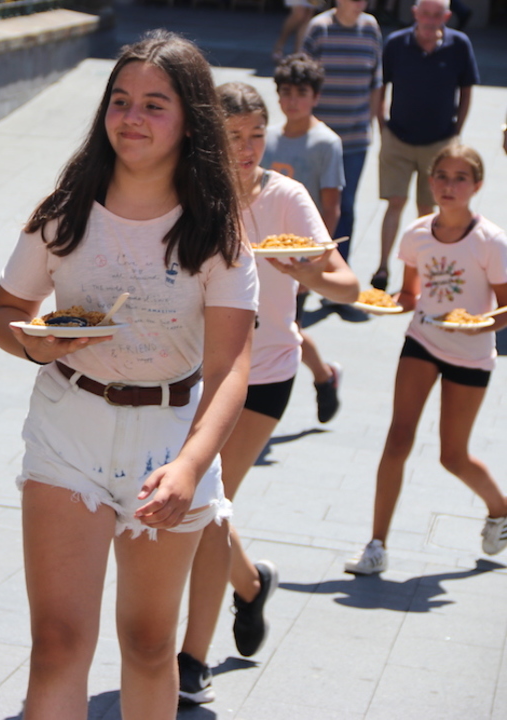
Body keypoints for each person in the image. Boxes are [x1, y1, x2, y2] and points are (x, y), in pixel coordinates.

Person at [0, 30, 258, 719]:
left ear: (190, 121)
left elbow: (230, 368)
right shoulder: (62, 212)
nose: (131, 117)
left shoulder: (217, 232)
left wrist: (191, 466)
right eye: (119, 100)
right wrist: (34, 346)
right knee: (56, 644)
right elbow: (4, 312)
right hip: (67, 431)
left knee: (147, 643)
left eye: (154, 105)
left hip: (169, 442)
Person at [178, 82, 360, 706]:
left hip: (265, 372)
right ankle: (251, 585)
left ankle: (191, 659)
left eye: (257, 134)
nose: (249, 147)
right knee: (204, 505)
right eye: (234, 136)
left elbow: (346, 284)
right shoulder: (189, 195)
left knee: (206, 506)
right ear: (208, 137)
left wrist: (309, 272)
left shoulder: (286, 197)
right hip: (192, 374)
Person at [346, 145, 507, 575]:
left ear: (477, 186)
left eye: (460, 178)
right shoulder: (417, 233)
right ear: (430, 181)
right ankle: (376, 545)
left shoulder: (491, 241)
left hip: (471, 354)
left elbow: (505, 307)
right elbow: (409, 295)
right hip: (423, 341)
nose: (449, 186)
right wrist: (378, 303)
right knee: (398, 437)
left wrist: (479, 326)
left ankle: (500, 508)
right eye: (442, 176)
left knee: (452, 457)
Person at [370, 0, 477, 291]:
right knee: (394, 202)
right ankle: (382, 268)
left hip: (439, 142)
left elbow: (467, 89)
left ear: (447, 16)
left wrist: (457, 129)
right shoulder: (396, 43)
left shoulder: (459, 45)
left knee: (428, 208)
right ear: (415, 13)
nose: (430, 21)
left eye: (437, 15)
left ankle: (425, 271)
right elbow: (380, 84)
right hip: (398, 137)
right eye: (425, 14)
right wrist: (381, 124)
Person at [263, 53, 347, 423]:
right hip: (262, 251)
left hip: (299, 258)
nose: (292, 100)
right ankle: (324, 376)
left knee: (286, 327)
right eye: (286, 92)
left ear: (315, 96)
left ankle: (324, 377)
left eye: (301, 93)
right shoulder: (266, 138)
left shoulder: (326, 143)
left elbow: (331, 208)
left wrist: (313, 262)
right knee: (274, 324)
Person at [302, 0, 383, 262]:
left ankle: (339, 271)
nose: (360, 3)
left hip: (355, 139)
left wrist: (370, 123)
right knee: (311, 204)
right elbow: (302, 80)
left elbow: (376, 82)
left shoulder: (371, 28)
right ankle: (305, 270)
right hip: (319, 140)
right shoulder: (319, 28)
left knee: (345, 207)